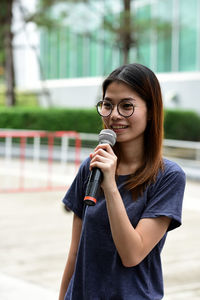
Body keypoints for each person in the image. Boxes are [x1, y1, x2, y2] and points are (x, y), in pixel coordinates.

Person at [58, 63, 186, 300]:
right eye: (107, 104)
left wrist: (110, 186)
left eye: (127, 105)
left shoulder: (168, 177)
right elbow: (76, 253)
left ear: (151, 110)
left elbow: (132, 254)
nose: (114, 115)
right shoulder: (91, 165)